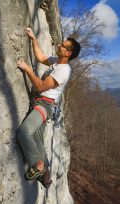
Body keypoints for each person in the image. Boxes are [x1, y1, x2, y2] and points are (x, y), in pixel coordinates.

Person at [16, 28, 81, 188]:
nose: (59, 45)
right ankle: (46, 177)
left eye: (63, 45)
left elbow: (40, 87)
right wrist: (33, 39)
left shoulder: (63, 71)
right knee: (37, 140)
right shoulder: (56, 62)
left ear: (68, 53)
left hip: (44, 105)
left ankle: (37, 165)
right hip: (43, 104)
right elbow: (41, 57)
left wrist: (28, 69)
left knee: (23, 132)